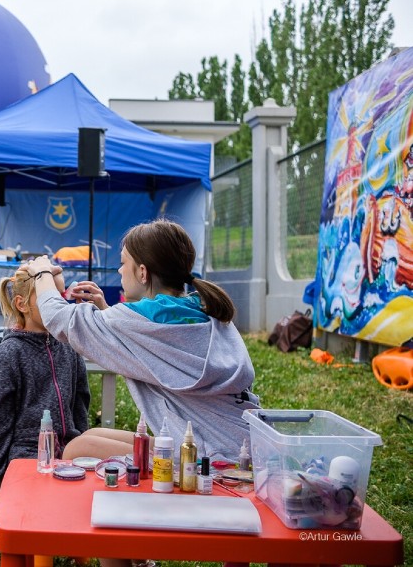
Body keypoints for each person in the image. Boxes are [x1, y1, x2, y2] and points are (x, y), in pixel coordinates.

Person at [26, 220, 259, 567]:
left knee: (77, 449)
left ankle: (123, 550)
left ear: (143, 271)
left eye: (123, 262)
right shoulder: (207, 312)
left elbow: (60, 319)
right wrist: (107, 315)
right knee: (94, 435)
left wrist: (41, 272)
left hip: (208, 464)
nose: (119, 270)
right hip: (246, 448)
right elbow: (156, 350)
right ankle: (130, 553)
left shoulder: (139, 320)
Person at [0, 267, 89, 567]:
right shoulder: (9, 354)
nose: (59, 303)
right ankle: (3, 540)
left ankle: (73, 544)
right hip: (26, 458)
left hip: (69, 450)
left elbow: (80, 403)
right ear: (22, 305)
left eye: (61, 295)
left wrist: (83, 445)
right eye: (48, 296)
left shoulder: (69, 345)